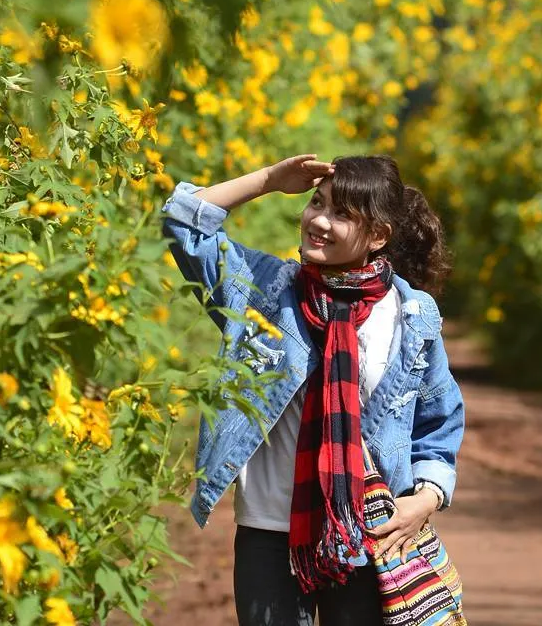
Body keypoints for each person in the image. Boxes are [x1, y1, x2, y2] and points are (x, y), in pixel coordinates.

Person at [160, 152, 465, 626]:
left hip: (370, 532)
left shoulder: (412, 316)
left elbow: (438, 429)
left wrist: (422, 502)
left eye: (342, 214)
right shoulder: (266, 290)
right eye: (317, 203)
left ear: (378, 236)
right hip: (269, 532)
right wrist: (267, 179)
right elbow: (184, 223)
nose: (319, 220)